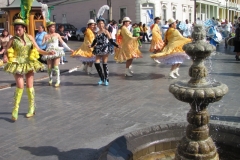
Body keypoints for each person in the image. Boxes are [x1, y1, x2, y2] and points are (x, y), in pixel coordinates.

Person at [3, 19, 55, 121]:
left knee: (30, 86)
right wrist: (5, 57)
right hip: (17, 63)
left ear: (24, 29)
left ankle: (32, 107)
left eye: (19, 29)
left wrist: (48, 53)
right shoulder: (12, 39)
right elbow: (6, 51)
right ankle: (15, 109)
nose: (17, 31)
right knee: (20, 86)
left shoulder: (30, 38)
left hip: (29, 63)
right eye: (16, 29)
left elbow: (38, 49)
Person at [42, 21, 74, 87]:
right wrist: (46, 41)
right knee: (49, 67)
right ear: (48, 28)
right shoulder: (46, 35)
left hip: (56, 51)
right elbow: (42, 44)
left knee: (56, 67)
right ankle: (50, 79)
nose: (53, 28)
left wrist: (69, 49)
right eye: (52, 27)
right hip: (49, 52)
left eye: (54, 27)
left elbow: (63, 43)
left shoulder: (57, 34)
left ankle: (58, 80)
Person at [89, 18, 120, 86]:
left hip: (105, 48)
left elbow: (111, 40)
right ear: (97, 25)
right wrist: (91, 46)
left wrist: (117, 45)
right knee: (96, 63)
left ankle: (106, 78)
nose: (101, 25)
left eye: (102, 23)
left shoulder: (106, 31)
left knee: (104, 64)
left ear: (104, 24)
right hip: (98, 48)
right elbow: (95, 41)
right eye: (99, 23)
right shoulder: (97, 33)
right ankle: (101, 78)